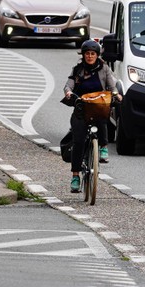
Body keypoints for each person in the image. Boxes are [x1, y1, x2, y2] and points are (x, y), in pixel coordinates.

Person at [63, 40, 119, 192]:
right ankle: (75, 176)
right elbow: (68, 85)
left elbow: (111, 86)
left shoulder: (104, 69)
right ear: (83, 55)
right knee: (78, 141)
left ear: (97, 55)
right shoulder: (78, 70)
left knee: (102, 119)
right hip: (81, 107)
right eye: (87, 54)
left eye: (92, 54)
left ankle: (103, 147)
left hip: (98, 105)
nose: (89, 56)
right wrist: (68, 92)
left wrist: (116, 94)